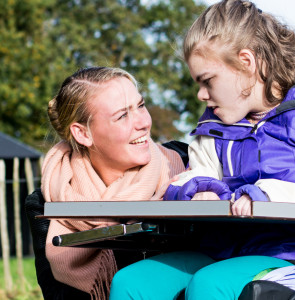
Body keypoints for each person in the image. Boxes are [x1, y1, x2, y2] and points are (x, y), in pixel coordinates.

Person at [110, 1, 295, 299]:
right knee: (132, 283)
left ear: (246, 62)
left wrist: (270, 195)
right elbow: (192, 176)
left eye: (207, 81)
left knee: (211, 284)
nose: (201, 95)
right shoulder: (213, 125)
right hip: (221, 250)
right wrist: (199, 190)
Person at [41, 66, 187, 299]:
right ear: (83, 134)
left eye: (140, 105)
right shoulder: (48, 200)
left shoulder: (187, 168)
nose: (143, 123)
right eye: (122, 115)